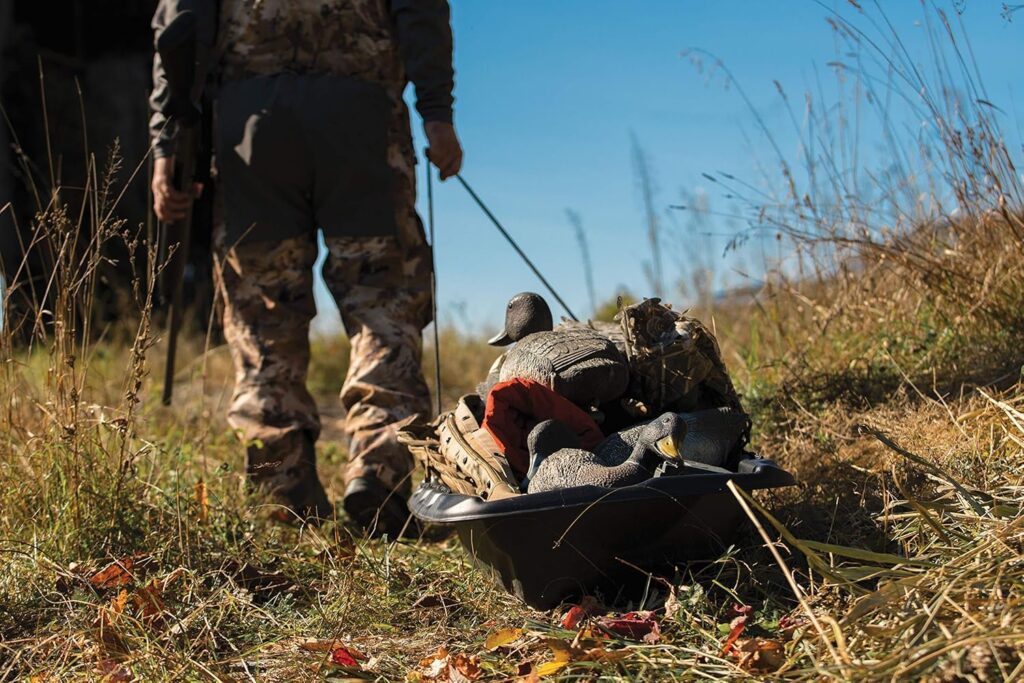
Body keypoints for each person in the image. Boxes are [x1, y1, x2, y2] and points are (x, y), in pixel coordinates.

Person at [149, 0, 462, 536]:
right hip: (360, 114)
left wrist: (171, 142)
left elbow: (179, 22)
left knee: (261, 310)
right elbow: (420, 7)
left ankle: (281, 479)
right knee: (382, 296)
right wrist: (436, 112)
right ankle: (379, 469)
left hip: (252, 123)